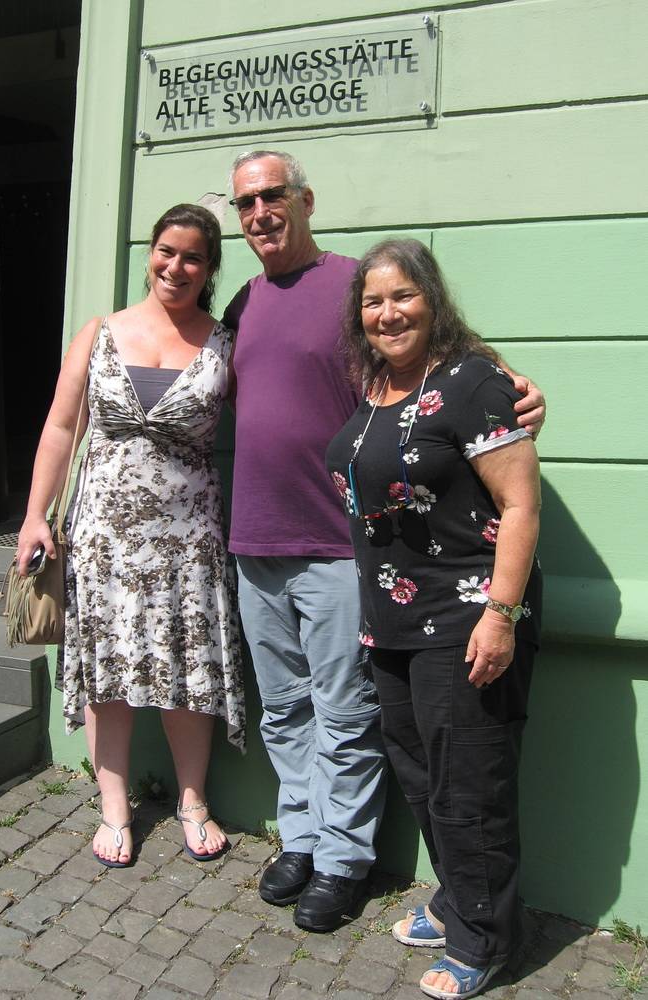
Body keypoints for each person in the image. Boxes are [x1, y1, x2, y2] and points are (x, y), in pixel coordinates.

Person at [223, 149, 545, 932]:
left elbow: (453, 363)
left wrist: (519, 392)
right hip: (253, 539)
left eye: (273, 196)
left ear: (304, 200)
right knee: (285, 711)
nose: (260, 213)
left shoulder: (352, 284)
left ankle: (341, 857)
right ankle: (298, 838)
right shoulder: (242, 301)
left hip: (339, 545)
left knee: (342, 713)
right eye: (245, 204)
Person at [326, 238, 542, 996]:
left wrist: (500, 615)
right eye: (372, 301)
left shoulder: (473, 382)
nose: (387, 313)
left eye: (402, 296)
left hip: (463, 619)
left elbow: (519, 504)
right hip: (389, 622)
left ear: (432, 299)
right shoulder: (377, 385)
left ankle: (485, 941)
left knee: (467, 785)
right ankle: (457, 902)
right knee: (421, 778)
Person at [16, 203, 245, 868]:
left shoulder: (224, 343)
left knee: (186, 671)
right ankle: (114, 807)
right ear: (151, 253)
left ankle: (191, 800)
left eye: (192, 257)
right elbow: (62, 428)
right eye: (166, 251)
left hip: (187, 540)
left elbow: (280, 411)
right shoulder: (100, 333)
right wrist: (36, 513)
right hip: (103, 537)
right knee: (108, 675)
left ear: (209, 268)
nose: (176, 266)